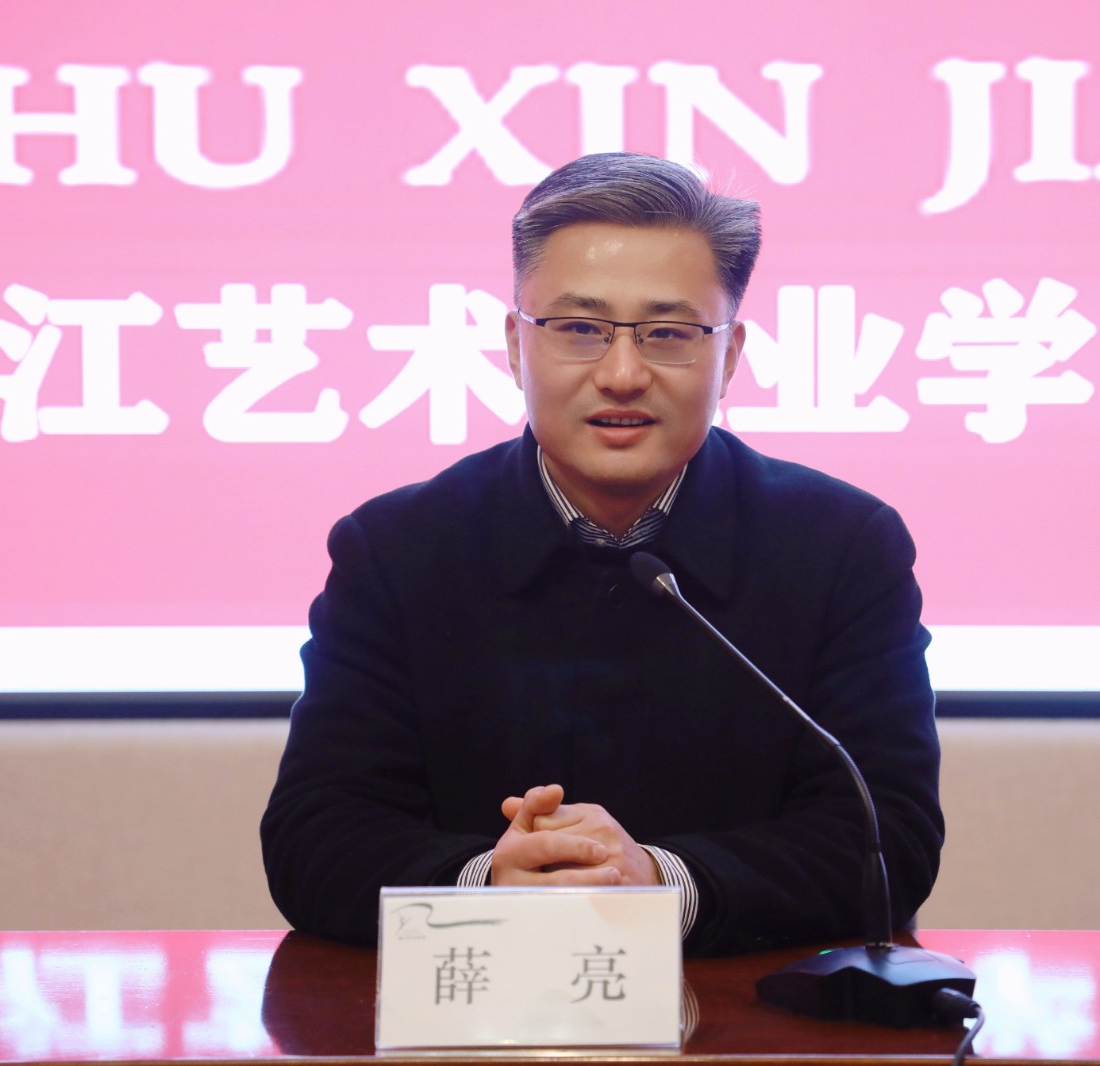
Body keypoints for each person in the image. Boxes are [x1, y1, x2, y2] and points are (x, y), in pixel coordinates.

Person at [260, 152, 943, 956]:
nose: (622, 374)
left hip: (750, 1009)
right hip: (478, 1007)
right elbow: (316, 836)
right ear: (516, 345)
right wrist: (488, 882)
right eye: (580, 329)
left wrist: (660, 881)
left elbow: (888, 837)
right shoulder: (398, 550)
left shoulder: (841, 548)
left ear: (729, 355)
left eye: (669, 334)